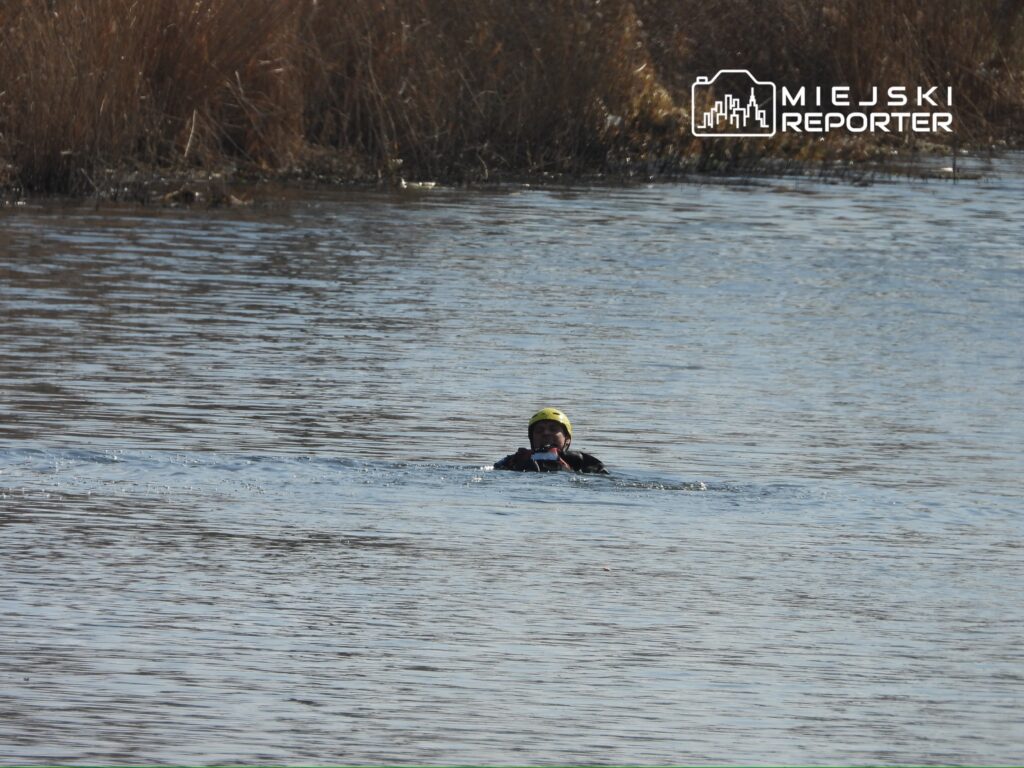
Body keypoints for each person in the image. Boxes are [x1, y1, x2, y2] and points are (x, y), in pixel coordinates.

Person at [494, 408, 608, 474]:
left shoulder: (581, 461)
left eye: (553, 429)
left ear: (567, 439)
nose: (546, 433)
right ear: (531, 439)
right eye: (539, 430)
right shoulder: (515, 460)